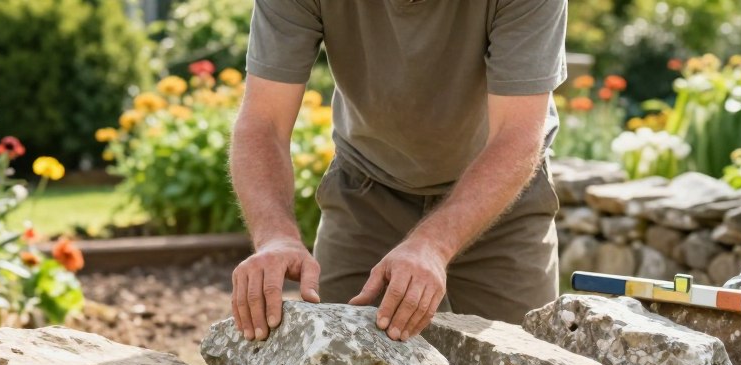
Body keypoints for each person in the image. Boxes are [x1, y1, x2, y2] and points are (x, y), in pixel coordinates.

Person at [230, 0, 568, 342]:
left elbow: (517, 134)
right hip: (367, 193)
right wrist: (275, 237)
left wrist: (434, 245)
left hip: (501, 203)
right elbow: (264, 123)